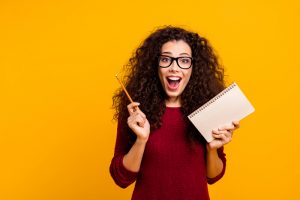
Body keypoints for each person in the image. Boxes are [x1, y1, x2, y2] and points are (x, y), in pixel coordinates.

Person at [110, 26, 240, 200]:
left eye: (184, 61)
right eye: (166, 59)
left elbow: (213, 177)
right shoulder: (136, 112)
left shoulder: (207, 109)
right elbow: (121, 179)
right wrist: (141, 140)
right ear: (155, 65)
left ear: (194, 67)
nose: (174, 68)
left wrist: (211, 149)